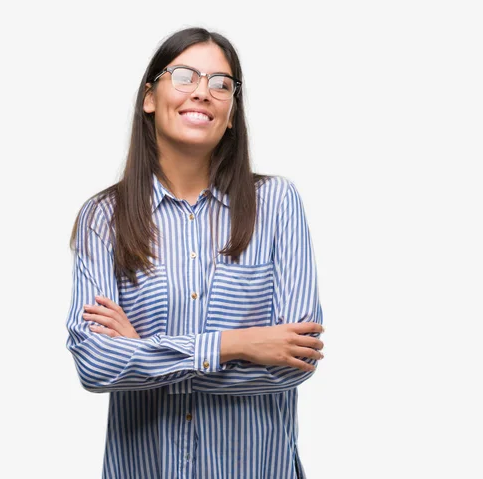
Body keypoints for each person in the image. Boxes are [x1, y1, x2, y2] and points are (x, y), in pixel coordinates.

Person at [65, 26, 325, 479]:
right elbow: (96, 363)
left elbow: (295, 364)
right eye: (184, 76)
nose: (202, 93)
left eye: (221, 84)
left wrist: (144, 355)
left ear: (231, 113)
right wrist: (237, 344)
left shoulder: (278, 204)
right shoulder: (103, 217)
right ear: (150, 97)